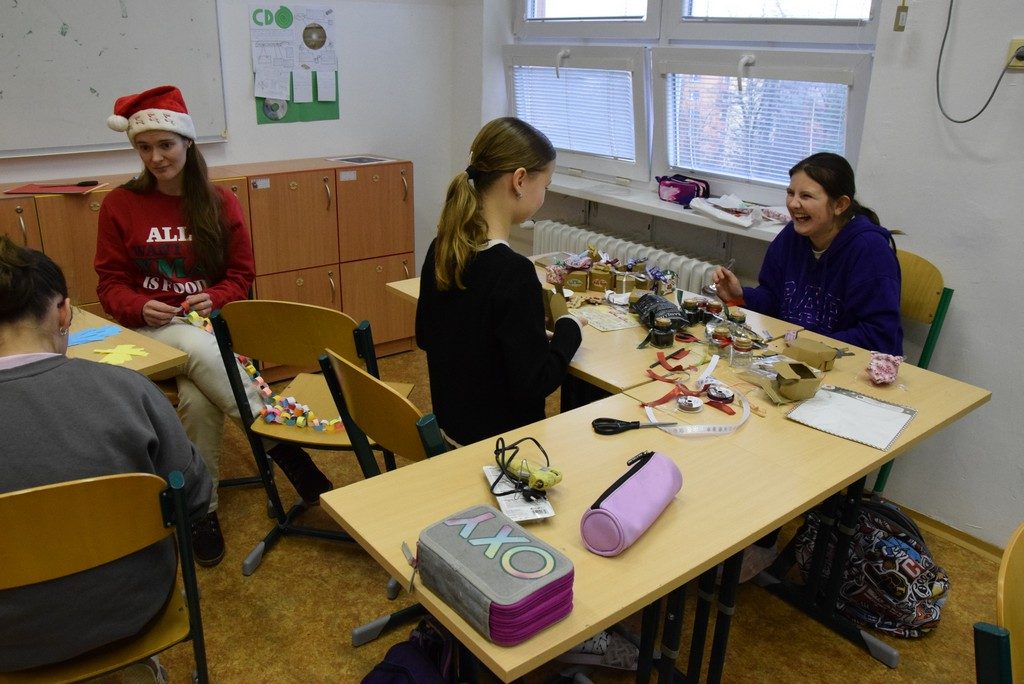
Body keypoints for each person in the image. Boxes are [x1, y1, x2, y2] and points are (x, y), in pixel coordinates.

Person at [95, 85, 331, 567]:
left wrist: (217, 297)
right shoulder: (120, 205)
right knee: (197, 350)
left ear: (187, 142)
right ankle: (286, 449)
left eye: (165, 145)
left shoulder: (219, 202)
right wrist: (139, 306)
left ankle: (200, 510)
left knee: (199, 403)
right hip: (155, 331)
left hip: (210, 328)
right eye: (144, 147)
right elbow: (110, 284)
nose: (156, 158)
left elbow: (241, 276)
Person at [0, 236, 211, 677]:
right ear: (64, 312)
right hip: (135, 609)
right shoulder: (129, 389)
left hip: (12, 644)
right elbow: (192, 497)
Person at [416, 117, 585, 447]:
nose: (544, 196)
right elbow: (536, 382)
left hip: (451, 434)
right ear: (519, 180)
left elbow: (427, 335)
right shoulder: (513, 272)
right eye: (546, 186)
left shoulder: (442, 248)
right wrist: (569, 328)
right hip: (504, 450)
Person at [713, 152, 903, 356]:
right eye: (791, 193)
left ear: (840, 205)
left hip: (846, 361)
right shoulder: (792, 235)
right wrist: (742, 295)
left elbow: (879, 336)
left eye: (806, 196)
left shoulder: (870, 250)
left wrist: (810, 346)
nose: (793, 204)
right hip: (797, 353)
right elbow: (773, 298)